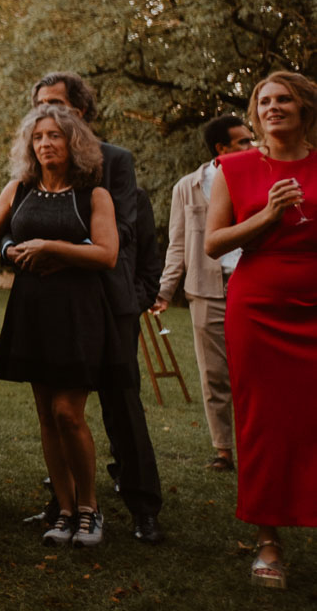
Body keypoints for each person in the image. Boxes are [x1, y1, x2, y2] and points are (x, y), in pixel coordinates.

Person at [0, 105, 125, 547]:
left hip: (78, 310)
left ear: (74, 142)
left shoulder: (94, 195)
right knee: (46, 417)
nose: (46, 144)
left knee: (68, 413)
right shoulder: (18, 189)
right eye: (38, 137)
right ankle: (65, 510)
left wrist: (52, 246)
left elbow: (107, 254)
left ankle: (90, 510)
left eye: (55, 135)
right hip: (31, 309)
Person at [31, 71, 164, 544]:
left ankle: (144, 507)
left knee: (121, 404)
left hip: (107, 299)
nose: (47, 113)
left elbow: (125, 231)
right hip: (54, 304)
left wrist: (62, 255)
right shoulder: (35, 157)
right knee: (58, 409)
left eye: (57, 104)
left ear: (81, 111)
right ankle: (64, 504)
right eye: (41, 106)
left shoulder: (115, 162)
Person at [205, 70, 317, 590]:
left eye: (284, 100)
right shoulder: (233, 167)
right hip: (258, 309)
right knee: (265, 422)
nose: (272, 108)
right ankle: (269, 541)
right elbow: (215, 243)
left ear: (304, 108)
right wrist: (269, 214)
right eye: (264, 101)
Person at [153, 114, 254, 470]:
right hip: (206, 289)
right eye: (243, 141)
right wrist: (165, 290)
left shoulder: (259, 176)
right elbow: (177, 243)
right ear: (220, 149)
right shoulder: (188, 186)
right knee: (214, 374)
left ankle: (257, 447)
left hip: (252, 285)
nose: (251, 145)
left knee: (255, 372)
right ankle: (224, 450)